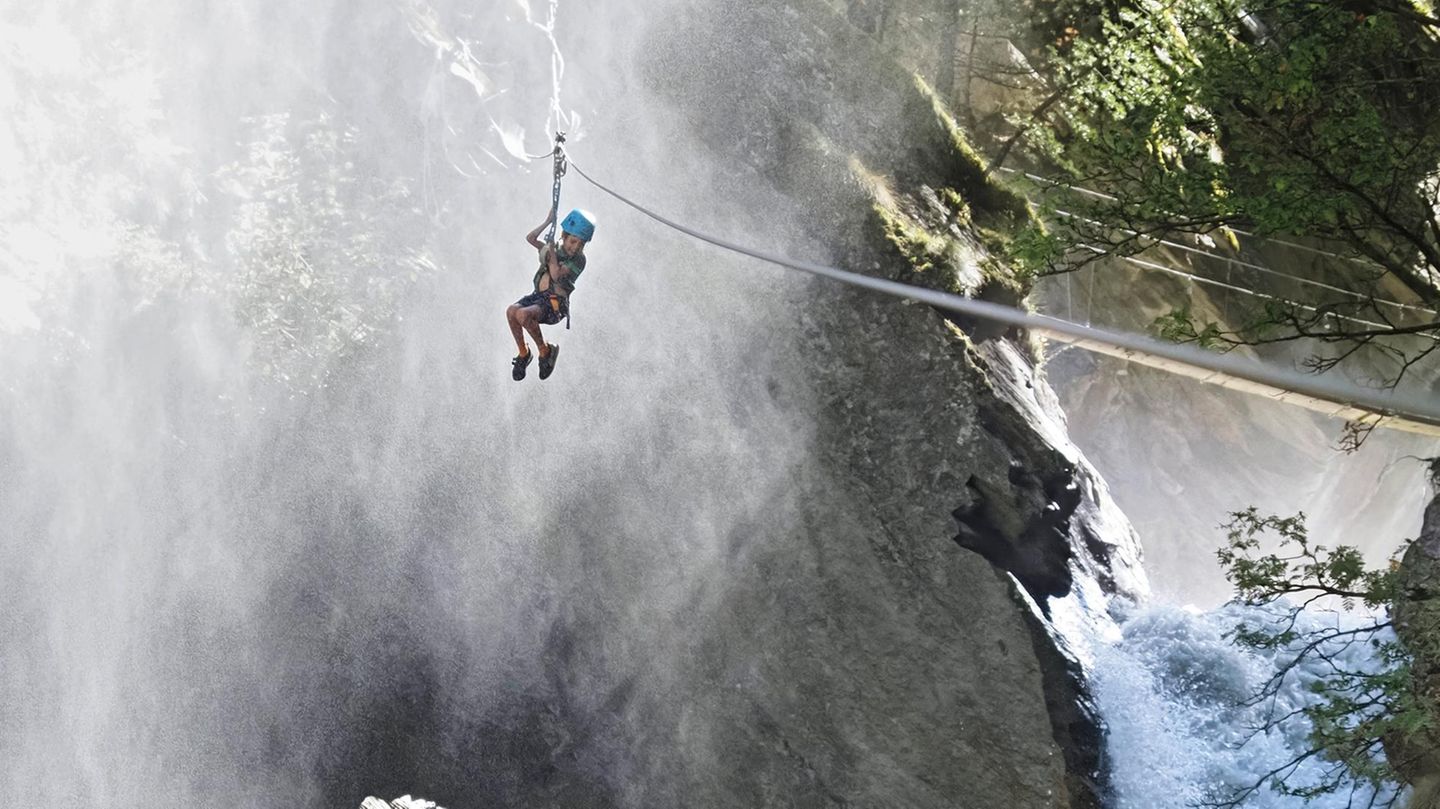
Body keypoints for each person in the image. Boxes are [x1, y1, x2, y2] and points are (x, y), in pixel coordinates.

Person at [506, 207, 596, 381]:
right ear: (564, 236)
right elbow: (531, 238)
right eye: (572, 241)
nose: (575, 247)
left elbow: (556, 274)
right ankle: (524, 354)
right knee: (511, 311)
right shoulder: (555, 249)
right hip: (538, 298)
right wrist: (548, 222)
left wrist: (551, 253)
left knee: (523, 315)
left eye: (580, 244)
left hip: (555, 305)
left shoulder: (579, 260)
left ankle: (546, 351)